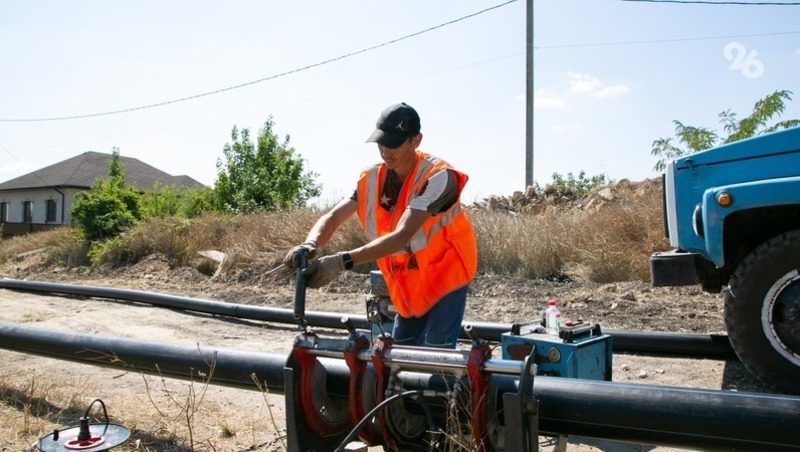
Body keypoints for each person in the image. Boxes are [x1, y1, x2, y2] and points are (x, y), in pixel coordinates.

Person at [283, 102, 477, 349]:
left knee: (437, 356)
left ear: (415, 140)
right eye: (381, 143)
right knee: (398, 354)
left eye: (394, 143)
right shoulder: (371, 179)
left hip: (447, 273)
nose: (385, 151)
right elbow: (333, 218)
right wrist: (310, 243)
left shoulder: (439, 177)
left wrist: (342, 261)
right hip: (409, 281)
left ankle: (452, 385)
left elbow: (402, 236)